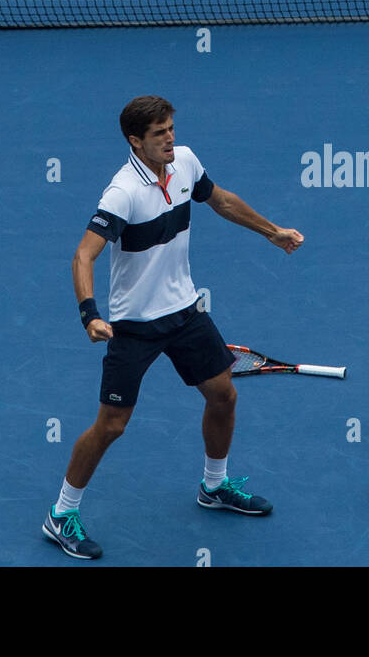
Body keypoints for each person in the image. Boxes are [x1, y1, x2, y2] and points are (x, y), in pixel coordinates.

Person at [44, 95, 304, 559]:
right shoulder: (121, 193)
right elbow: (83, 255)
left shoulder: (183, 162)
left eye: (170, 127)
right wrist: (90, 314)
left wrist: (272, 230)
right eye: (159, 132)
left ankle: (214, 485)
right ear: (135, 141)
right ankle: (61, 514)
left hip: (185, 311)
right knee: (111, 426)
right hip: (135, 325)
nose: (170, 137)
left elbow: (219, 200)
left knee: (223, 394)